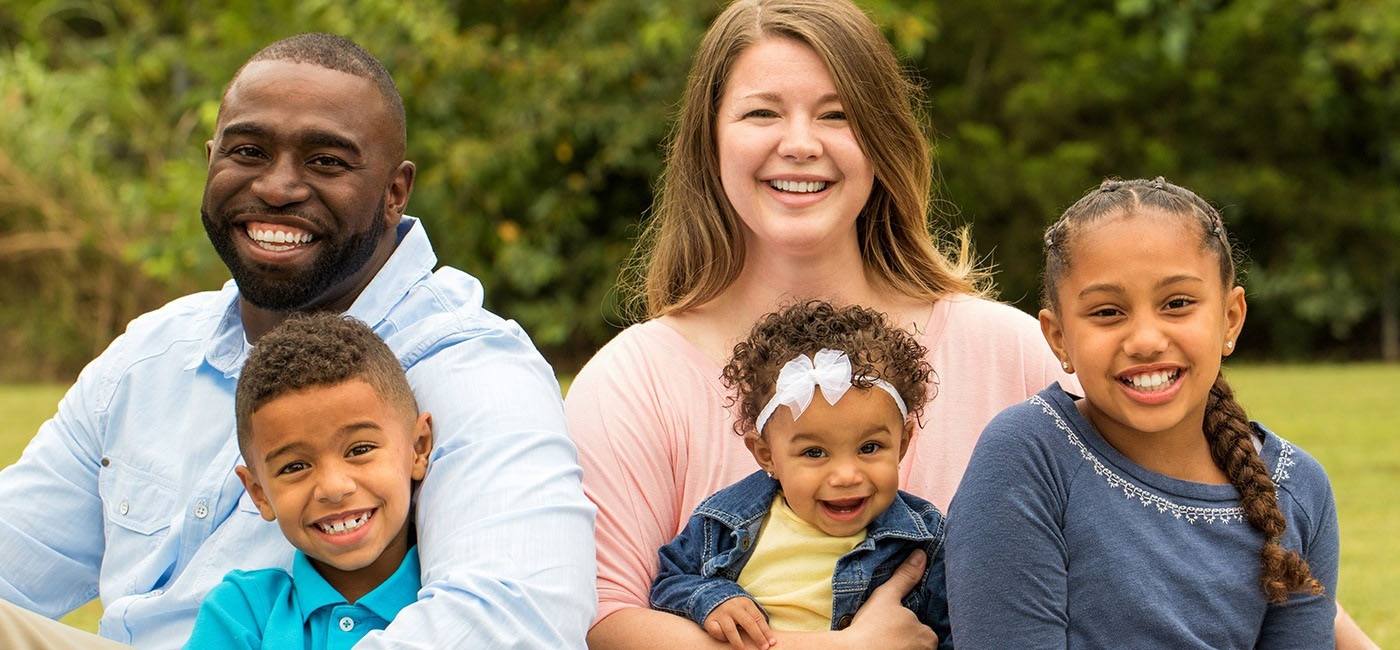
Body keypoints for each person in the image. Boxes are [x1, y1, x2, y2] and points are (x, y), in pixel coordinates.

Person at [0, 33, 594, 649]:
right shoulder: (152, 356)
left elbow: (513, 622)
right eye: (249, 151)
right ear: (210, 161)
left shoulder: (469, 370)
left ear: (395, 192)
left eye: (326, 162)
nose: (278, 188)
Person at [564, 1, 1067, 648]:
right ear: (710, 138)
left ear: (882, 140)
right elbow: (603, 623)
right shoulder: (632, 384)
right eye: (762, 112)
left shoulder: (1010, 354)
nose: (800, 144)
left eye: (837, 115)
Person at [945, 178, 1339, 647]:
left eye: (1177, 304)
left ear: (1230, 318)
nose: (1146, 340)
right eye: (1108, 312)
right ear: (1058, 338)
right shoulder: (1028, 455)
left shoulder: (1298, 488)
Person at [650, 302, 952, 650]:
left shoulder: (923, 542)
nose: (845, 475)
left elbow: (955, 633)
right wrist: (711, 598)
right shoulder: (723, 525)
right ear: (767, 455)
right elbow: (668, 582)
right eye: (814, 453)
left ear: (901, 444)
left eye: (869, 448)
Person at [185, 313, 433, 648]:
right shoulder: (244, 612)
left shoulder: (455, 605)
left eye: (359, 449)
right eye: (294, 466)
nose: (333, 487)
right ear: (259, 493)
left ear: (417, 448)